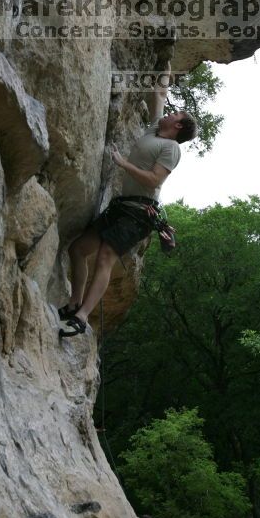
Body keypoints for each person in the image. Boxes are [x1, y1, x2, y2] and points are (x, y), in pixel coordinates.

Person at [58, 61, 197, 337]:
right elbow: (159, 94)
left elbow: (154, 180)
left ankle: (82, 316)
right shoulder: (156, 128)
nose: (170, 113)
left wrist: (123, 164)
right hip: (122, 207)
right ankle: (74, 303)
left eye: (176, 113)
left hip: (138, 213)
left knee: (106, 257)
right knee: (78, 250)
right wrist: (167, 69)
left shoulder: (170, 149)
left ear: (179, 125)